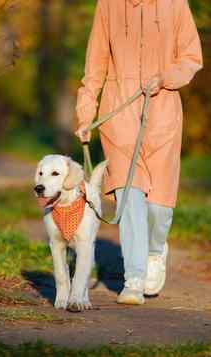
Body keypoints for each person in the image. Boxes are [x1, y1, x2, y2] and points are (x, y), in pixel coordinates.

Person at [75, 0, 203, 305]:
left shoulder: (176, 4)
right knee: (129, 194)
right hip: (119, 110)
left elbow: (191, 57)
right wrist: (85, 114)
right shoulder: (107, 5)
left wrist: (166, 77)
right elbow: (94, 66)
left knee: (159, 208)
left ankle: (155, 252)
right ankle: (133, 278)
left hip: (163, 109)